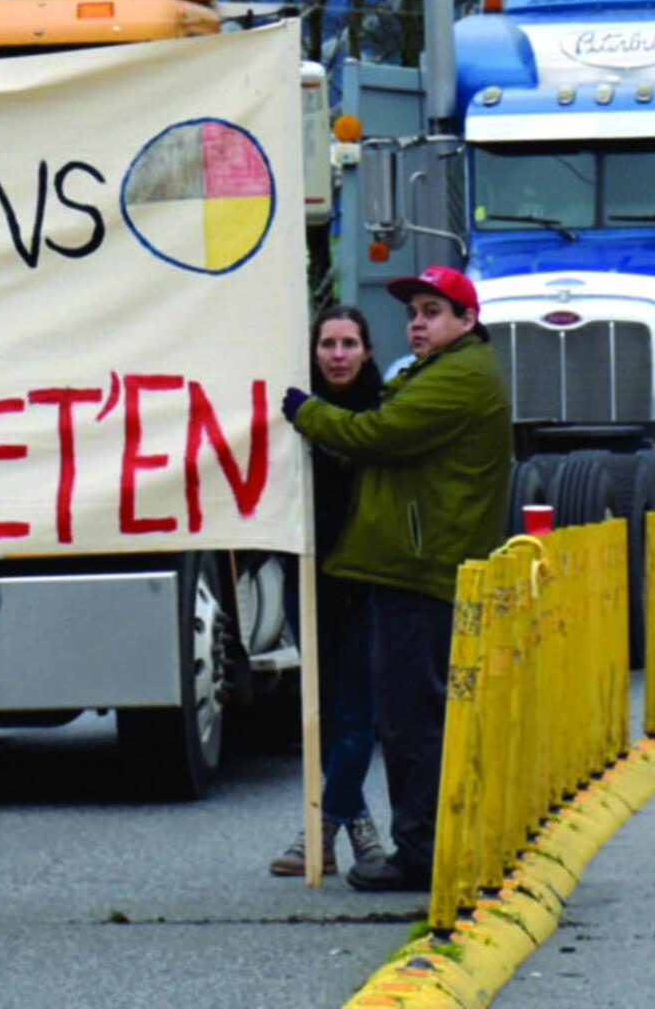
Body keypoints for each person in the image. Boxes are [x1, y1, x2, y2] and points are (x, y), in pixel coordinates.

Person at [282, 265, 511, 893]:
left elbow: (378, 435)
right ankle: (422, 842)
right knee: (408, 715)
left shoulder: (460, 377)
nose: (417, 323)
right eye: (412, 313)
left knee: (412, 720)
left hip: (423, 566)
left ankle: (420, 853)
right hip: (415, 564)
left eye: (433, 312)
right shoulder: (437, 371)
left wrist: (307, 413)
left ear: (467, 321)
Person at [269, 303, 390, 881]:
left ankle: (318, 832)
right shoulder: (288, 409)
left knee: (356, 714)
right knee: (320, 711)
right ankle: (360, 830)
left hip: (363, 575)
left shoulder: (386, 409)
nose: (338, 355)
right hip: (306, 572)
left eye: (348, 344)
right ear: (313, 351)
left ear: (367, 351)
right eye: (327, 344)